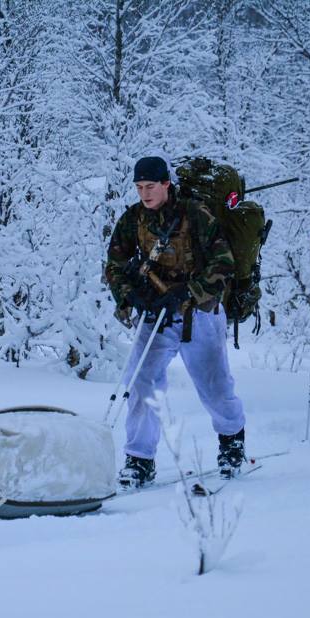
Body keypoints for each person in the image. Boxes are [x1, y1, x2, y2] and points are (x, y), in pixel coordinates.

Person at [105, 156, 246, 487]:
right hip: (155, 313)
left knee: (214, 387)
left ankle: (232, 442)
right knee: (141, 381)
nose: (145, 194)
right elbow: (114, 261)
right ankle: (139, 460)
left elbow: (223, 262)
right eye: (139, 187)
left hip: (199, 314)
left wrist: (189, 291)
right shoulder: (132, 219)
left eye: (151, 186)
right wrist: (129, 295)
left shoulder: (196, 215)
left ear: (166, 184)